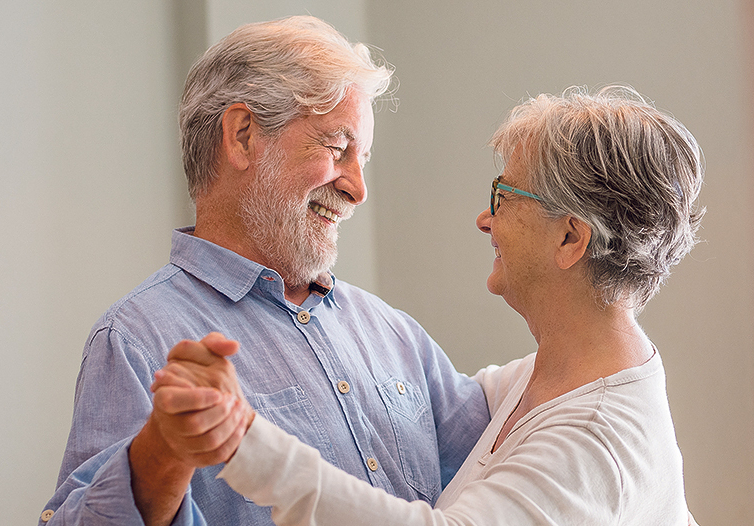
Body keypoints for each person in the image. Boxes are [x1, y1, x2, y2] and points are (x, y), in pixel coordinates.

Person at [152, 86, 705, 524]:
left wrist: (247, 442)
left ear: (570, 239)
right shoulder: (537, 383)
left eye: (504, 196)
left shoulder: (599, 440)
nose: (484, 219)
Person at [40, 16, 490, 526]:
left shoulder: (394, 333)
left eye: (362, 159)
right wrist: (162, 453)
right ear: (243, 135)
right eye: (337, 149)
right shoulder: (135, 339)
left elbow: (505, 465)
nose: (357, 189)